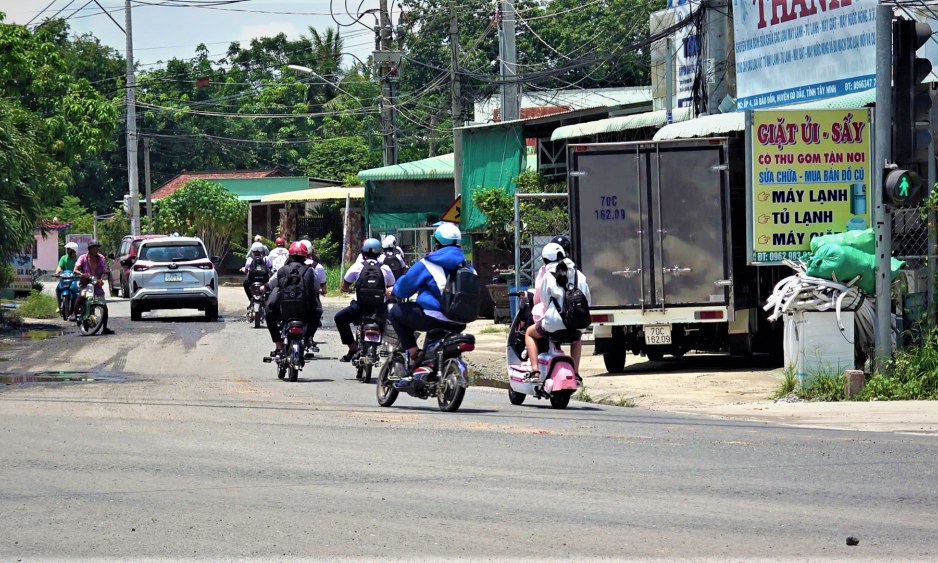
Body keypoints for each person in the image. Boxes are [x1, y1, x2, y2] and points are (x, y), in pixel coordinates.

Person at [388, 223, 474, 385]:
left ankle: (414, 353)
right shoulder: (469, 268)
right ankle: (428, 364)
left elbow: (404, 288)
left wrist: (393, 290)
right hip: (460, 321)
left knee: (395, 311)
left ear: (437, 243)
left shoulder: (428, 263)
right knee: (434, 332)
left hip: (432, 317)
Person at [524, 242, 591, 380]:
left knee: (529, 333)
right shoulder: (579, 275)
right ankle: (576, 373)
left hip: (554, 324)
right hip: (578, 323)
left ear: (545, 260)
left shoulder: (548, 276)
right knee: (577, 338)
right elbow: (587, 300)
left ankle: (535, 371)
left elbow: (544, 301)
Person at [335, 238, 395, 362]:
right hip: (379, 306)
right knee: (384, 320)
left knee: (339, 319)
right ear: (379, 253)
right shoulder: (385, 268)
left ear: (363, 253)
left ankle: (353, 348)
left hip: (359, 306)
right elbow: (392, 286)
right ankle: (378, 343)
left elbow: (345, 285)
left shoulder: (357, 267)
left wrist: (347, 289)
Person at [270, 242, 322, 343]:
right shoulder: (310, 271)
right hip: (305, 311)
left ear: (290, 256)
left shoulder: (282, 270)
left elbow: (271, 284)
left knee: (269, 315)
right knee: (318, 313)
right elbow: (316, 288)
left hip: (283, 310)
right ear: (305, 256)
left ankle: (278, 345)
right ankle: (307, 339)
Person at [71, 240, 113, 335]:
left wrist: (101, 279)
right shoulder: (82, 258)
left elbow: (105, 271)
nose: (96, 249)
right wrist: (82, 274)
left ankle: (105, 328)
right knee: (82, 296)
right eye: (94, 247)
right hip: (86, 284)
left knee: (104, 307)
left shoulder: (101, 258)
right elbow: (76, 269)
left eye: (97, 247)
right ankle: (75, 313)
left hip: (96, 285)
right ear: (89, 249)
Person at [531, 235, 572, 322]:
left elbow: (542, 300)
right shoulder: (577, 272)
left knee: (529, 332)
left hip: (555, 320)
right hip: (576, 320)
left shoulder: (546, 273)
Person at [54, 242, 79, 313]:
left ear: (74, 250)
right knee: (58, 289)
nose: (67, 251)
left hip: (75, 280)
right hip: (64, 278)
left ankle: (76, 308)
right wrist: (57, 272)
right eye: (67, 249)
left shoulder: (78, 259)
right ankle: (59, 305)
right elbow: (59, 267)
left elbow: (81, 268)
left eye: (69, 249)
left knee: (77, 292)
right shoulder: (63, 258)